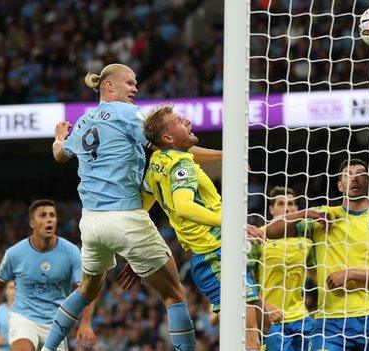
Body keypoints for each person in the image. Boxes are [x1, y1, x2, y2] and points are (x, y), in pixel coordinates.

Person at [47, 63, 220, 351]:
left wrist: (59, 136)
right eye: (129, 82)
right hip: (125, 216)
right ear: (109, 87)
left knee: (86, 290)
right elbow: (172, 148)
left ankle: (48, 348)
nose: (135, 88)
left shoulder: (84, 122)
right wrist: (224, 154)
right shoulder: (128, 114)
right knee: (174, 295)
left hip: (91, 223)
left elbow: (59, 154)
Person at [119, 105, 265, 350]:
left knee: (263, 323)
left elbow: (143, 203)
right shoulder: (179, 167)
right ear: (167, 137)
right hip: (215, 254)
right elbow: (184, 206)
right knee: (249, 336)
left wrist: (136, 251)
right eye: (178, 120)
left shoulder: (159, 161)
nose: (187, 120)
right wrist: (234, 224)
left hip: (218, 252)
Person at [264, 159, 369, 351]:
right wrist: (304, 213)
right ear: (340, 185)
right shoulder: (323, 217)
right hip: (329, 321)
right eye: (347, 174)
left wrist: (350, 275)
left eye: (360, 173)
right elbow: (270, 232)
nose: (354, 178)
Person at [0, 199, 96, 351]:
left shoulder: (72, 252)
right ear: (32, 223)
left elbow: (86, 290)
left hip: (57, 323)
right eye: (42, 215)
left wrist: (86, 323)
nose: (49, 219)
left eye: (52, 215)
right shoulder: (14, 253)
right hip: (24, 318)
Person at [249, 186, 315, 350]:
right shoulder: (258, 238)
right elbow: (243, 279)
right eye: (280, 203)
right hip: (272, 319)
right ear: (271, 209)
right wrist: (265, 305)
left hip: (302, 317)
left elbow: (317, 275)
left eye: (291, 203)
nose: (287, 208)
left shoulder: (307, 242)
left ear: (297, 209)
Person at [0, 281, 15, 351]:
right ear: (5, 291)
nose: (14, 291)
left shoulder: (25, 311)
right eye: (11, 288)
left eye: (16, 288)